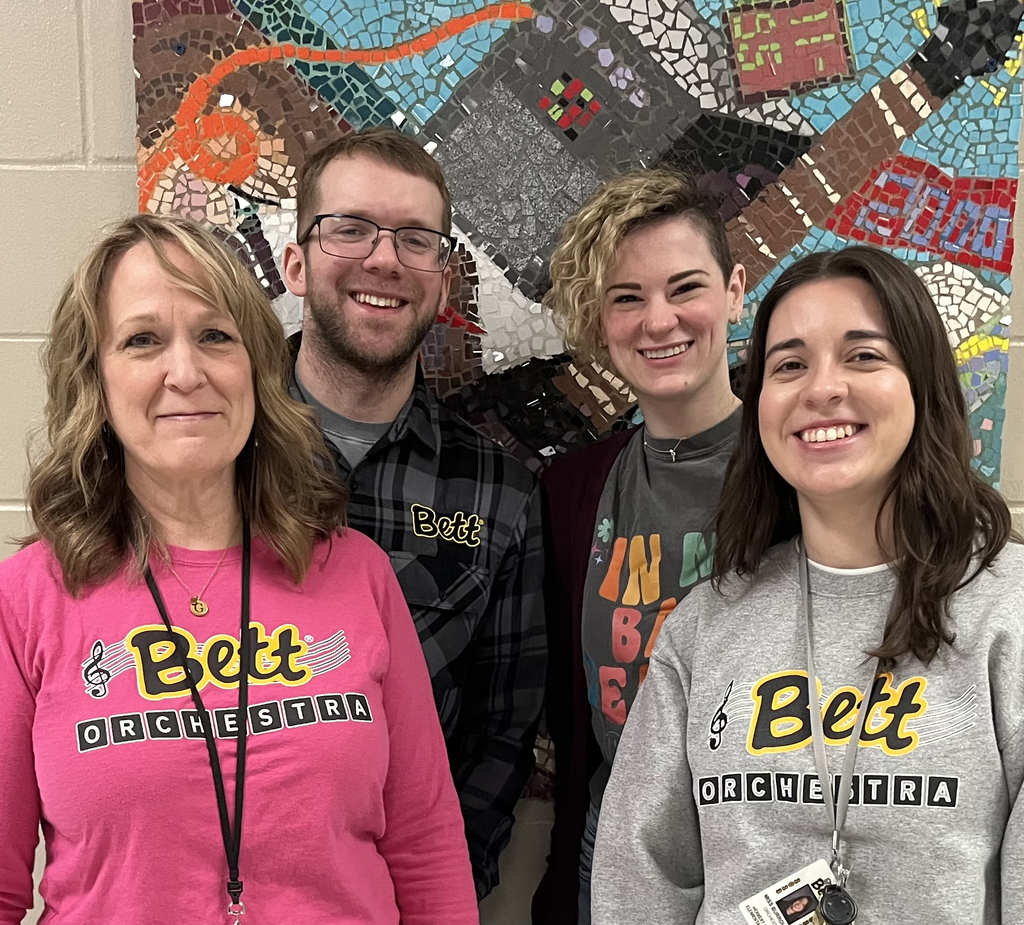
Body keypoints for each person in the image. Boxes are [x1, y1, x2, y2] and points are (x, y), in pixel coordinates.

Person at [0, 214, 479, 925]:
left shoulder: (354, 572)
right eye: (142, 340)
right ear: (96, 383)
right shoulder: (32, 595)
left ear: (255, 368)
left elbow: (424, 846)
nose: (186, 372)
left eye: (215, 337)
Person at [591, 246, 1024, 924]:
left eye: (863, 356)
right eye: (789, 364)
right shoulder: (706, 625)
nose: (822, 388)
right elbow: (640, 874)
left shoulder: (1010, 612)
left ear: (923, 383)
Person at [280, 127, 546, 900]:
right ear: (296, 263)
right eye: (351, 227)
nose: (385, 258)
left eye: (415, 239)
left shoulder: (500, 491)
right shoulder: (210, 455)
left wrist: (429, 895)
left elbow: (503, 729)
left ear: (439, 278)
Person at [532, 167, 746, 925]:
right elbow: (570, 705)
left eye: (685, 287)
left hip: (768, 861)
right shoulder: (571, 492)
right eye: (627, 297)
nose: (659, 321)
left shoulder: (802, 471)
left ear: (735, 291)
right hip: (616, 851)